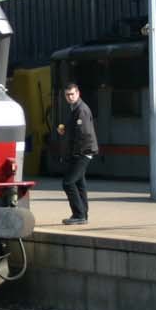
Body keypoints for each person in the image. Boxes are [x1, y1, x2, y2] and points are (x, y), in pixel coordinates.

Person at [56, 82, 98, 224]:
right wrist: (65, 130)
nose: (70, 97)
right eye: (67, 95)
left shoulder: (81, 110)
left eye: (72, 94)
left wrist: (74, 154)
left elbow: (83, 135)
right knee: (80, 184)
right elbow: (75, 131)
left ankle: (78, 215)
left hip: (82, 152)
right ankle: (83, 215)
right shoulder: (75, 108)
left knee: (68, 183)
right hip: (82, 152)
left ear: (78, 93)